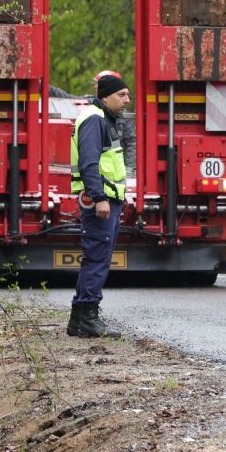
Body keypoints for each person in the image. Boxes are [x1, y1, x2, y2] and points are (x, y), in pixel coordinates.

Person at [66, 73, 130, 338]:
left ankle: (78, 320)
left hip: (107, 199)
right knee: (98, 260)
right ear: (105, 97)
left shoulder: (104, 119)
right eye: (121, 95)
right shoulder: (94, 120)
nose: (127, 100)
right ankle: (89, 318)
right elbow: (89, 164)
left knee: (95, 258)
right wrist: (100, 197)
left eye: (127, 94)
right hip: (100, 201)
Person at [94, 70, 136, 175]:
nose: (95, 87)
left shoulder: (124, 117)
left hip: (115, 173)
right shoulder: (91, 113)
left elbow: (132, 143)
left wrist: (130, 170)